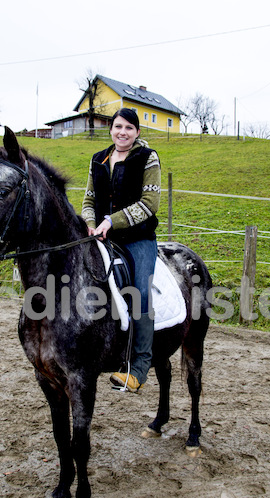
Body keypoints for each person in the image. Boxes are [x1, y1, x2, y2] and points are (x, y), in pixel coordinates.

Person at [81, 108, 161, 392]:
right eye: (118, 127)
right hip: (102, 238)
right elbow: (89, 201)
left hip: (138, 239)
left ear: (137, 132)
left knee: (139, 292)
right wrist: (91, 225)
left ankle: (139, 367)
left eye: (129, 127)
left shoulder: (147, 158)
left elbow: (149, 203)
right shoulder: (98, 159)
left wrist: (110, 221)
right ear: (111, 129)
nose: (122, 132)